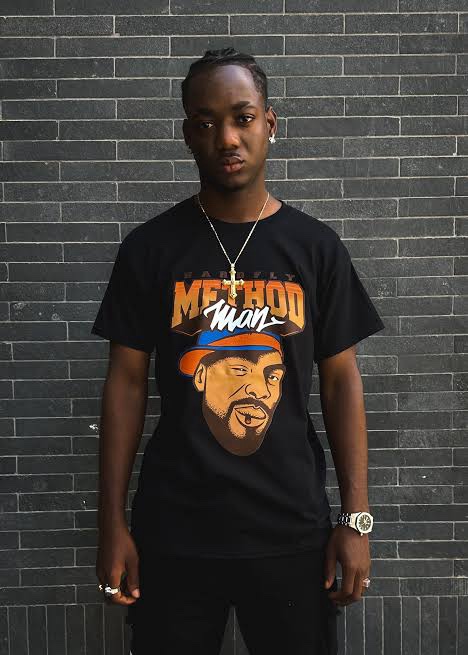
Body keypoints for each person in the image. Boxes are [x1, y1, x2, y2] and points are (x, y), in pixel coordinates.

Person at [92, 47, 385, 655]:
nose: (226, 137)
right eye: (206, 123)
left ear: (269, 124)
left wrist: (355, 520)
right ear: (187, 136)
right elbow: (125, 384)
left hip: (292, 531)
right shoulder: (149, 250)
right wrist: (112, 522)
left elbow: (341, 383)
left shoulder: (316, 248)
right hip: (175, 531)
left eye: (242, 117)